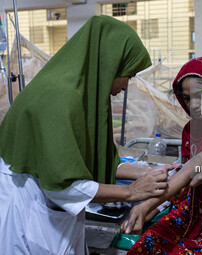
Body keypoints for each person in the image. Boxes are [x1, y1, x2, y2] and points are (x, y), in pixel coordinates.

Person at [0, 15, 175, 254]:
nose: (125, 87)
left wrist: (145, 174)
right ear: (110, 62)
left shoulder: (86, 96)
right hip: (30, 217)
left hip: (53, 213)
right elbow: (64, 184)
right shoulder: (59, 99)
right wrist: (131, 191)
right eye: (128, 76)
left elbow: (93, 159)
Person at [122, 57, 202, 254]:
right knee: (146, 245)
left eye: (201, 96)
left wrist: (146, 205)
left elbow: (192, 168)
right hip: (192, 212)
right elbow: (182, 182)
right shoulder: (191, 129)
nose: (194, 105)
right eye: (188, 98)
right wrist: (153, 210)